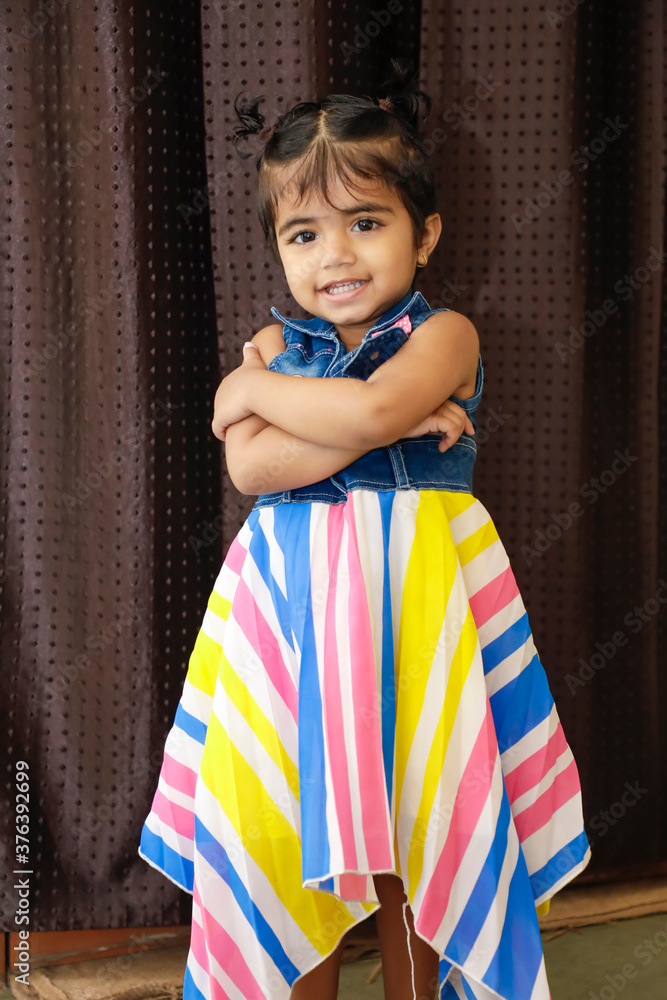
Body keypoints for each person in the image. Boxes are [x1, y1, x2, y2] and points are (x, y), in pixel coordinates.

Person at [139, 60, 590, 1000]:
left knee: (424, 812)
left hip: (421, 605)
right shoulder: (278, 347)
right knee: (283, 819)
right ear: (277, 247)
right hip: (294, 613)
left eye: (366, 222)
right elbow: (251, 468)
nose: (334, 254)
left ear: (423, 234)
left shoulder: (446, 335)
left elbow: (367, 416)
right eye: (303, 233)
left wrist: (254, 395)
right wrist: (317, 405)